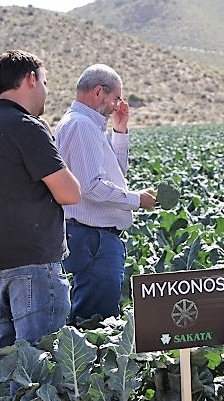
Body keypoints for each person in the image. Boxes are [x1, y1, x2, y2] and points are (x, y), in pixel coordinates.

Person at [0, 49, 81, 401]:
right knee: (36, 367)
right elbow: (69, 193)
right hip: (34, 262)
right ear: (30, 79)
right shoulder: (25, 127)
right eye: (44, 81)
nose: (46, 89)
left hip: (0, 262)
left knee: (5, 360)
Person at [54, 64, 156, 324]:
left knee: (98, 315)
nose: (117, 105)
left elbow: (115, 175)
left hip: (94, 237)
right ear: (99, 92)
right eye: (116, 98)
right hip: (93, 238)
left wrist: (119, 130)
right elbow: (91, 186)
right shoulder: (81, 126)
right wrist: (137, 200)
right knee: (95, 321)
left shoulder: (88, 125)